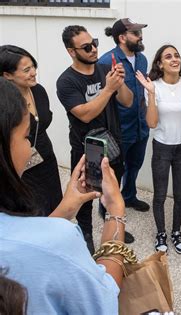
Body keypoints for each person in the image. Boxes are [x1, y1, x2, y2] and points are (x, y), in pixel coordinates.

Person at [0, 77, 127, 313]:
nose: (30, 149)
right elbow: (105, 299)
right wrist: (116, 211)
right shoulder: (58, 240)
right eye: (27, 136)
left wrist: (65, 209)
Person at [56, 25, 134, 253]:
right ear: (71, 51)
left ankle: (113, 224)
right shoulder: (66, 81)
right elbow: (85, 113)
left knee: (112, 189)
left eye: (95, 43)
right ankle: (86, 233)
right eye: (87, 47)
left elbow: (127, 101)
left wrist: (121, 83)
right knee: (86, 193)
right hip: (86, 149)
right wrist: (108, 89)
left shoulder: (103, 69)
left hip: (113, 145)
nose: (94, 49)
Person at [136, 44, 181, 254]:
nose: (174, 59)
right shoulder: (154, 86)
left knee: (180, 194)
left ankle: (176, 231)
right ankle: (161, 232)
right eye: (168, 56)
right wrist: (151, 94)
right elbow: (152, 123)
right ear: (160, 64)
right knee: (160, 195)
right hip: (161, 147)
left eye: (177, 55)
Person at [0, 45, 62, 216]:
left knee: (55, 201)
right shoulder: (5, 106)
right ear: (7, 75)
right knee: (34, 210)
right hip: (21, 166)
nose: (33, 72)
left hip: (46, 156)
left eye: (33, 66)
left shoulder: (38, 91)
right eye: (26, 70)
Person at [99, 18, 150, 212]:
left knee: (134, 166)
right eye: (136, 34)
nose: (140, 37)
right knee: (113, 174)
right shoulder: (106, 61)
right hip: (119, 131)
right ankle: (108, 211)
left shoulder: (142, 59)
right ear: (122, 38)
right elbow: (104, 98)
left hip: (140, 127)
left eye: (140, 33)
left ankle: (129, 197)